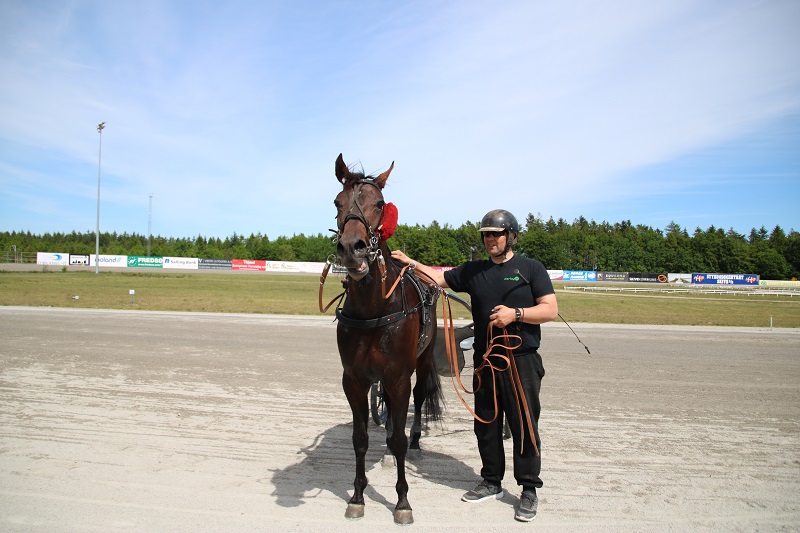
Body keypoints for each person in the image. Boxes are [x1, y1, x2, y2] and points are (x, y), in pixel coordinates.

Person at [391, 209, 558, 523]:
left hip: (521, 361)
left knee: (524, 425)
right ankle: (492, 481)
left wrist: (516, 314)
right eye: (485, 234)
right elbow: (438, 278)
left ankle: (528, 489)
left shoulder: (531, 268)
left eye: (495, 234)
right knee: (486, 424)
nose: (489, 240)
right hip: (485, 362)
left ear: (511, 236)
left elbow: (550, 309)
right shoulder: (474, 271)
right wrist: (411, 263)